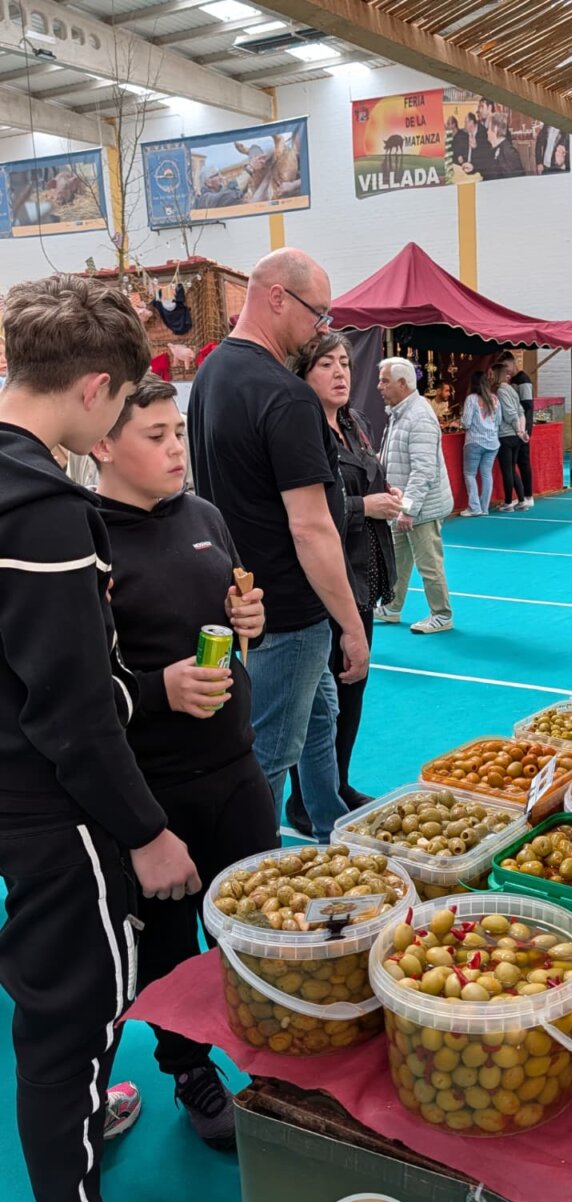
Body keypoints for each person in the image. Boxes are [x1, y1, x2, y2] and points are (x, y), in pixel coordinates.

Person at [0, 275, 198, 1202]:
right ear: (91, 389)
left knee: (68, 1004)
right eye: (124, 407)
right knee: (71, 1006)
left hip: (18, 791)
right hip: (50, 804)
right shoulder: (40, 509)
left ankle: (83, 1101)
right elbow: (72, 710)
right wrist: (147, 829)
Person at [93, 374, 273, 1151]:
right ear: (102, 442)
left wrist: (250, 624)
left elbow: (236, 635)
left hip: (237, 765)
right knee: (169, 946)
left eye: (178, 433)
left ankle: (271, 1052)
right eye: (155, 437)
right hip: (154, 787)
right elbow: (76, 692)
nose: (176, 450)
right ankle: (187, 1068)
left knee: (260, 924)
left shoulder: (203, 516)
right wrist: (156, 688)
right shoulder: (83, 541)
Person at [188, 248, 369, 843]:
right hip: (290, 610)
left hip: (249, 596)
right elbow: (311, 526)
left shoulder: (212, 374)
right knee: (268, 756)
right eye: (318, 313)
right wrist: (351, 623)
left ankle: (329, 833)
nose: (321, 327)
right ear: (275, 297)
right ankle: (251, 882)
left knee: (318, 728)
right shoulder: (285, 395)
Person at [290, 332, 400, 809]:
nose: (339, 373)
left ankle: (337, 782)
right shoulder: (300, 430)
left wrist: (385, 496)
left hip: (366, 573)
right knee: (322, 699)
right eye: (325, 365)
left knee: (352, 689)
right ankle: (305, 797)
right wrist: (363, 506)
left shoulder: (354, 423)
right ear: (302, 373)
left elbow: (362, 481)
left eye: (344, 364)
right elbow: (306, 510)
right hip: (329, 578)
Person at [374, 358, 454, 634]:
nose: (379, 386)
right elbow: (395, 458)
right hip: (402, 504)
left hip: (419, 507)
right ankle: (392, 607)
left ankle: (441, 615)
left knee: (428, 563)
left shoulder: (419, 416)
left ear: (403, 384)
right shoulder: (399, 413)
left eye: (385, 381)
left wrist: (409, 509)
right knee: (397, 559)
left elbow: (423, 469)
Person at [460, 368, 502, 516]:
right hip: (492, 441)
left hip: (474, 441)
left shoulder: (471, 399)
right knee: (486, 474)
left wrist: (459, 422)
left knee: (470, 474)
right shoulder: (494, 398)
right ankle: (484, 507)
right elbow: (498, 421)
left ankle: (474, 507)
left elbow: (466, 422)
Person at [492, 359, 528, 510]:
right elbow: (520, 411)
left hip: (506, 435)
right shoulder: (512, 390)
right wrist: (521, 430)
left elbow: (511, 413)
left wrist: (519, 430)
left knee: (507, 470)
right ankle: (521, 499)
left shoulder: (501, 391)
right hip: (515, 435)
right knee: (512, 469)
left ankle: (508, 502)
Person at [502, 351, 535, 509]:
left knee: (523, 461)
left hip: (524, 426)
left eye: (507, 366)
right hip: (517, 427)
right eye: (503, 368)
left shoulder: (523, 380)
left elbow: (527, 405)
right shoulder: (512, 381)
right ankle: (523, 496)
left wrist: (525, 429)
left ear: (513, 363)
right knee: (517, 462)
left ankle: (528, 495)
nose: (506, 370)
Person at [481, 113, 524, 179]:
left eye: (489, 129)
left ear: (495, 129)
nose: (487, 132)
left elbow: (514, 182)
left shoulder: (508, 152)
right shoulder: (494, 149)